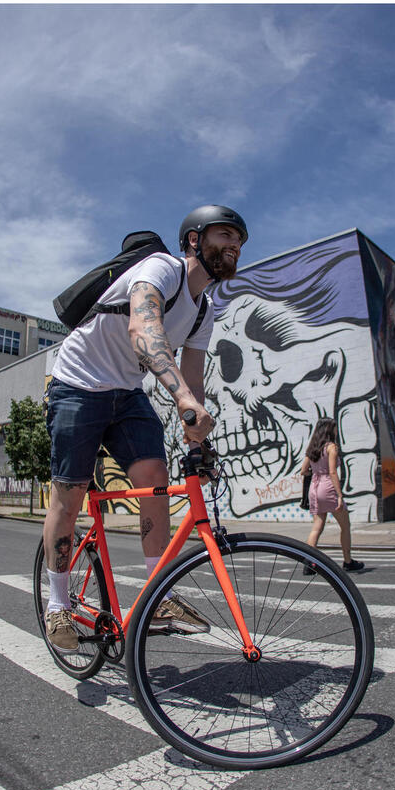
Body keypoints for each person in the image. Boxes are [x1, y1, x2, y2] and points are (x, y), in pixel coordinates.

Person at [41, 204, 249, 651]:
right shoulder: (162, 269)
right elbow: (143, 325)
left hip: (126, 393)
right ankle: (57, 603)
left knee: (156, 479)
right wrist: (182, 398)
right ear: (194, 239)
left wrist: (199, 440)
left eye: (240, 240)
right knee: (70, 492)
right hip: (78, 382)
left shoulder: (202, 311)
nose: (235, 244)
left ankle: (159, 596)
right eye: (225, 234)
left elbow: (194, 379)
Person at [300, 417, 365, 574]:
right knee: (345, 525)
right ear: (330, 429)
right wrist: (340, 495)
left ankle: (308, 563)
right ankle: (348, 561)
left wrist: (315, 473)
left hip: (314, 489)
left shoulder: (312, 448)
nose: (336, 430)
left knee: (317, 527)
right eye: (335, 428)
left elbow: (303, 471)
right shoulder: (331, 448)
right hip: (328, 488)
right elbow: (332, 472)